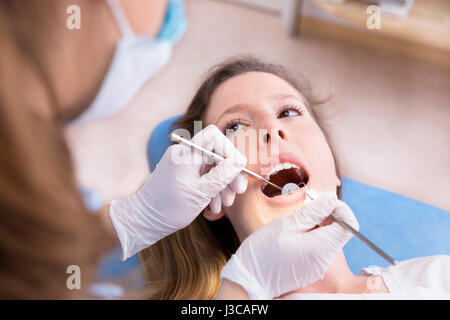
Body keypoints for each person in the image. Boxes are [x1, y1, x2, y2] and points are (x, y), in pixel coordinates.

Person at [138, 56, 450, 300]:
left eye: (288, 112)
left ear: (334, 170)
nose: (271, 129)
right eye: (235, 126)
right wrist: (244, 283)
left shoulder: (437, 275)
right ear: (211, 199)